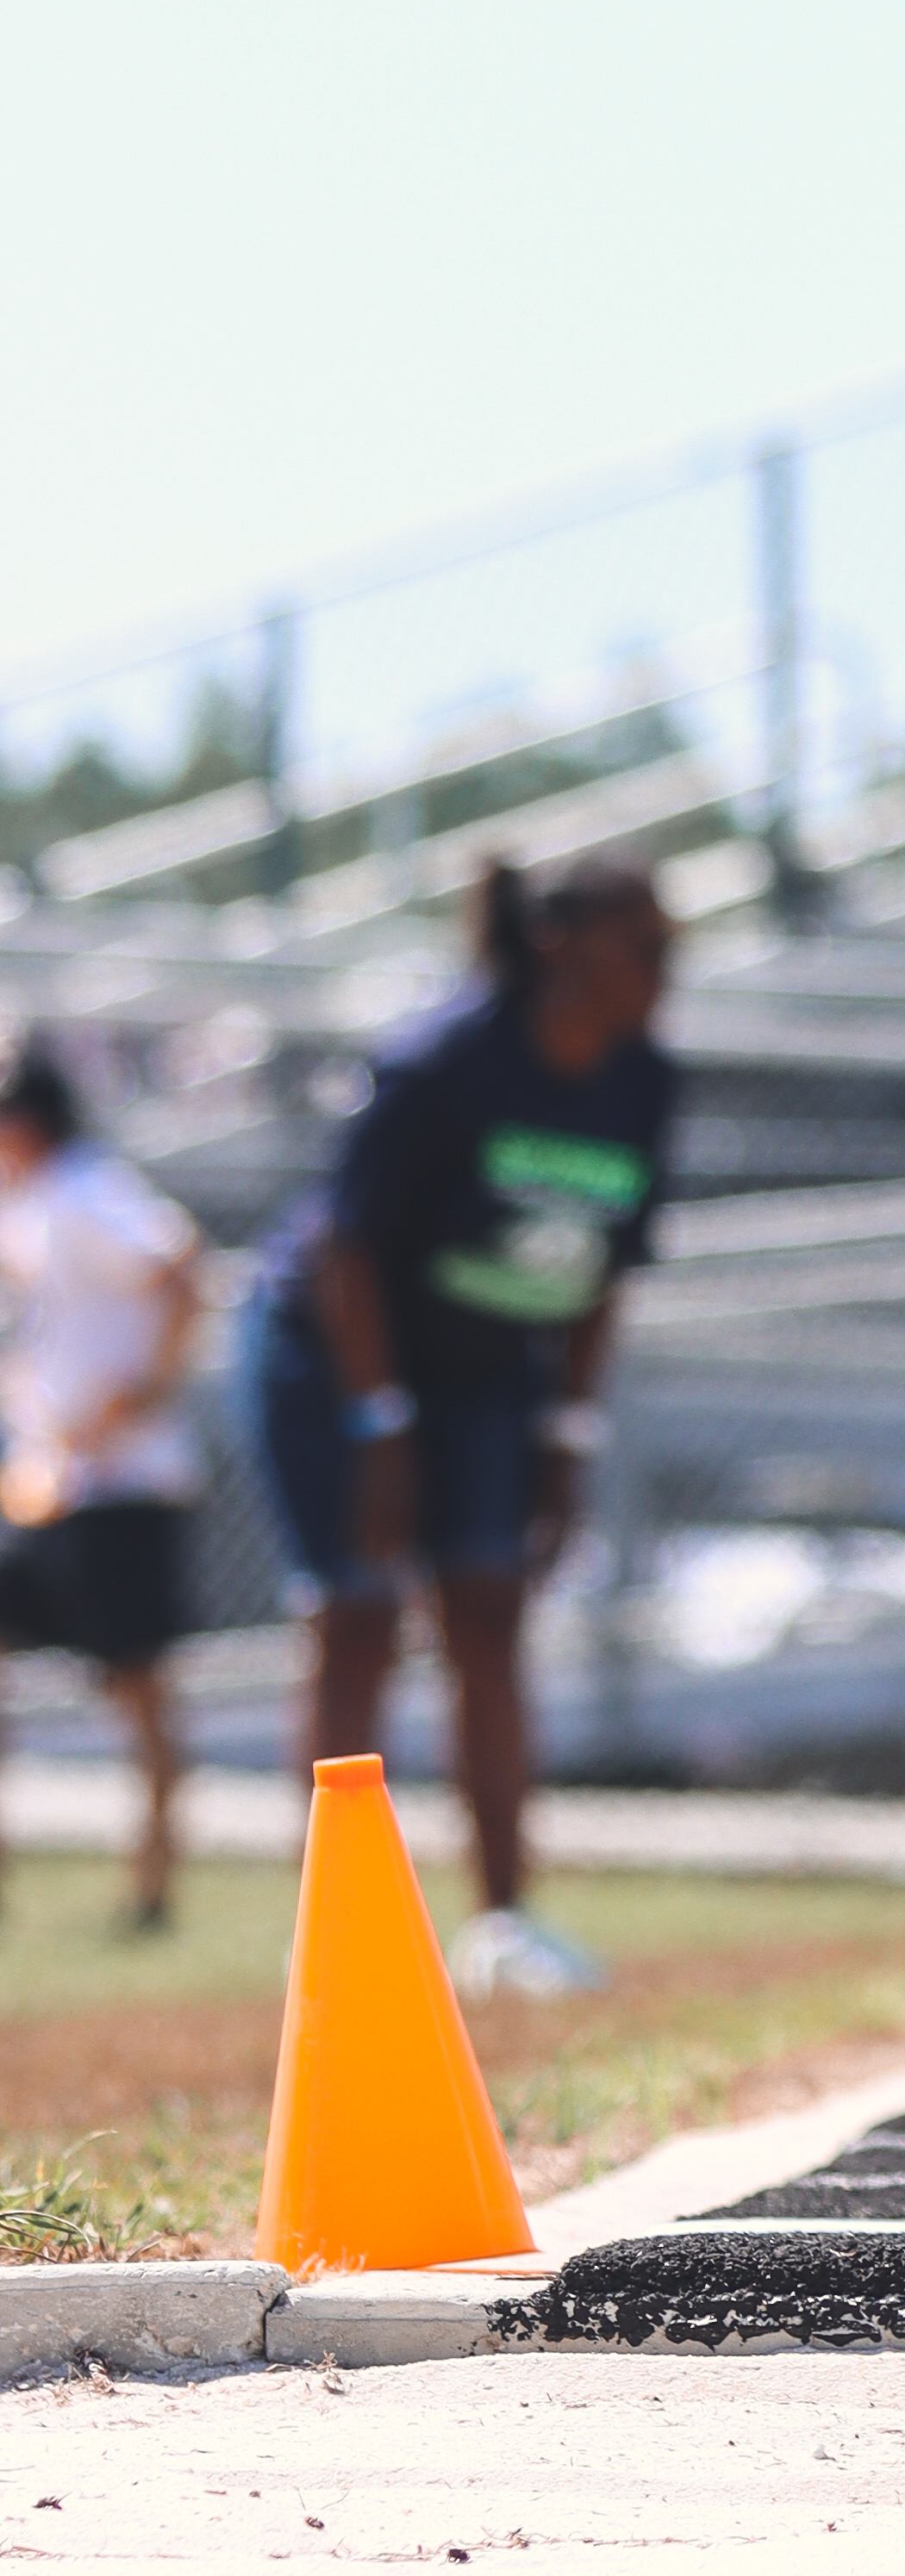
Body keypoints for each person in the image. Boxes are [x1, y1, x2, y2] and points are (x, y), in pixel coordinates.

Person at [235, 856, 677, 1996]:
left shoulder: (644, 1082)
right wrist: (379, 1424)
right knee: (360, 1617)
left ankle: (506, 1925)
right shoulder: (443, 1063)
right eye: (644, 948)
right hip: (337, 1357)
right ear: (559, 949)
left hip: (488, 1373)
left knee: (488, 1614)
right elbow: (346, 1250)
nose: (663, 972)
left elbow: (602, 1268)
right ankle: (330, 1942)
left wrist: (568, 1436)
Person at [0, 1035, 207, 1931]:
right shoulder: (30, 1203)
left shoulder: (86, 1189)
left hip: (121, 1484)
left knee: (138, 1687)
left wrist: (145, 1392)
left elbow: (181, 1268)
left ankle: (152, 1885)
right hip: (50, 1483)